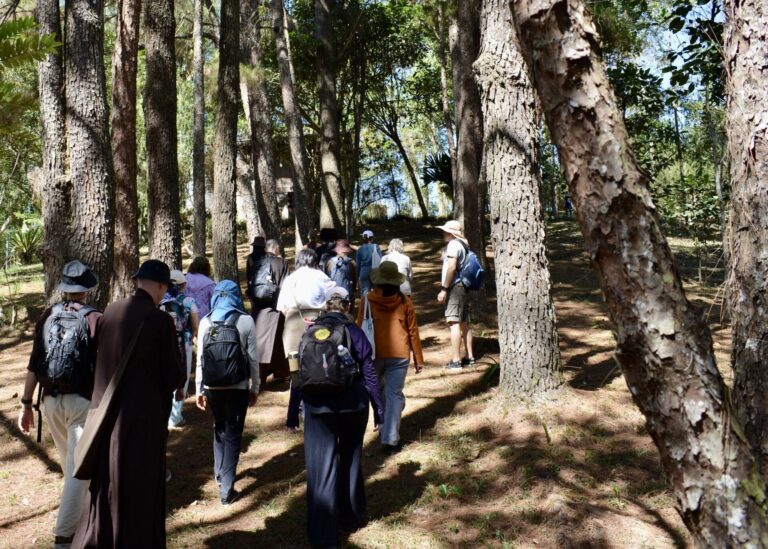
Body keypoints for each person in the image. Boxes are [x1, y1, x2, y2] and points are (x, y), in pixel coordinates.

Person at [72, 260, 185, 549]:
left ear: (138, 281)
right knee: (140, 489)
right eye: (165, 288)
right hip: (142, 424)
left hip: (106, 419)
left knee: (107, 485)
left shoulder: (110, 311)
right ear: (160, 286)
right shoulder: (160, 321)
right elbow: (173, 375)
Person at [18, 261, 102, 549]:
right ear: (88, 289)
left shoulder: (46, 317)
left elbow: (34, 363)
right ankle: (64, 538)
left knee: (72, 468)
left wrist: (26, 404)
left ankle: (82, 519)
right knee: (78, 470)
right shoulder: (95, 319)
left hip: (50, 401)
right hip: (82, 403)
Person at [302, 286, 383, 547]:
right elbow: (369, 370)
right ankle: (350, 516)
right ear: (347, 307)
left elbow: (299, 374)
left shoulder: (309, 333)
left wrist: (294, 412)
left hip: (317, 408)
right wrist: (378, 408)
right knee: (350, 457)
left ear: (326, 308)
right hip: (352, 405)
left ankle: (323, 534)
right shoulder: (354, 331)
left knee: (320, 467)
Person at [196, 280, 260, 506]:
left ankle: (220, 473)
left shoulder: (205, 321)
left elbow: (200, 360)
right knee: (233, 433)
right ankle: (227, 489)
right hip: (237, 386)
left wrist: (199, 389)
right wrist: (255, 388)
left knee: (219, 427)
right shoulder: (245, 320)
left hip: (212, 387)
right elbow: (253, 359)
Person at [359, 261, 424, 454]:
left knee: (380, 393)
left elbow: (358, 328)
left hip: (374, 354)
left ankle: (385, 430)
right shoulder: (405, 302)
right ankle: (390, 439)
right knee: (394, 395)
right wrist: (418, 359)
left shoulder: (367, 300)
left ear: (378, 282)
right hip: (400, 354)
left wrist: (358, 357)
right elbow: (413, 331)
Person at [276, 249, 335, 429]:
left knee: (296, 374)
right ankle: (318, 411)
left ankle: (292, 420)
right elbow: (333, 300)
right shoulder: (323, 277)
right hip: (321, 327)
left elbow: (282, 307)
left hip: (294, 328)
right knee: (320, 369)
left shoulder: (290, 279)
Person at [247, 239, 290, 385]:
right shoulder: (281, 262)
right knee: (278, 341)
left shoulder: (256, 262)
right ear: (276, 248)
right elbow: (286, 286)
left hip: (258, 309)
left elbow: (250, 284)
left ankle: (260, 375)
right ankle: (280, 373)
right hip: (275, 308)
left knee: (260, 342)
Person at [162, 270, 200, 429]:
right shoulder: (189, 301)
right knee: (182, 375)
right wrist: (192, 336)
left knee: (165, 374)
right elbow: (195, 323)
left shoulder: (160, 302)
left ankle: (165, 413)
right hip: (184, 342)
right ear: (182, 285)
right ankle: (176, 416)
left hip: (164, 343)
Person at [435, 220, 475, 370]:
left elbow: (452, 267)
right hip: (462, 286)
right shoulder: (462, 244)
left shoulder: (453, 244)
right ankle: (469, 357)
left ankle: (456, 360)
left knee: (453, 323)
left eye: (444, 231)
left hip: (454, 287)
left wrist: (444, 289)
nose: (442, 233)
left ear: (450, 233)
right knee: (464, 322)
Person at [325, 239, 357, 312]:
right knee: (348, 314)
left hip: (333, 294)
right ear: (347, 250)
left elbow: (327, 278)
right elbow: (355, 280)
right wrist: (354, 289)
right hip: (347, 293)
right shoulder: (351, 262)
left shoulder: (330, 262)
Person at [355, 229, 382, 295]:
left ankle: (365, 304)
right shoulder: (376, 246)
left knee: (365, 293)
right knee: (377, 292)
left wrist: (357, 277)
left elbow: (358, 265)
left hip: (363, 271)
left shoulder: (360, 249)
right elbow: (381, 259)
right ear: (372, 238)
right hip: (375, 270)